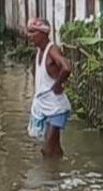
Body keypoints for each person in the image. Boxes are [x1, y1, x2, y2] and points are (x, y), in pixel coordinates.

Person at [26, 18, 72, 159]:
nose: (29, 36)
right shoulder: (39, 51)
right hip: (45, 106)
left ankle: (50, 171)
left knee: (46, 149)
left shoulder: (52, 50)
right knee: (54, 147)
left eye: (33, 32)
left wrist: (58, 84)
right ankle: (59, 167)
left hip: (56, 108)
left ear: (43, 33)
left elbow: (66, 67)